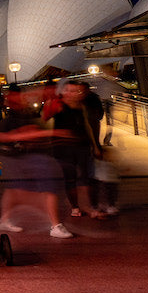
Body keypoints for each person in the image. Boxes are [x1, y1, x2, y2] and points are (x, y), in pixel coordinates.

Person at [0, 90, 75, 238]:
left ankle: (5, 220)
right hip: (16, 160)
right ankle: (55, 225)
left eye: (19, 98)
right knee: (45, 188)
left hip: (26, 158)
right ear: (7, 101)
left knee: (15, 189)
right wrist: (50, 134)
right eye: (14, 98)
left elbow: (31, 130)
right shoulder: (6, 120)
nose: (19, 101)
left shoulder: (25, 115)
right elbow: (8, 136)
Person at [45, 80, 103, 218]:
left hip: (82, 146)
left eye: (76, 91)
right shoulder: (58, 105)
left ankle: (91, 207)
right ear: (63, 92)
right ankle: (75, 207)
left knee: (87, 177)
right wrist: (49, 105)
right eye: (69, 91)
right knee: (70, 178)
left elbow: (87, 126)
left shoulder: (81, 106)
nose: (73, 94)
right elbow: (44, 119)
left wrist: (95, 145)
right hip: (63, 148)